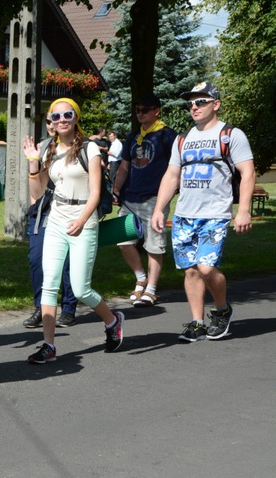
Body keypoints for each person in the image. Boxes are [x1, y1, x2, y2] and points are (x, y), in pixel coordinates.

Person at [22, 98, 126, 363]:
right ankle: (49, 345)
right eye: (55, 117)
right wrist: (33, 164)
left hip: (84, 219)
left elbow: (95, 192)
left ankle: (112, 320)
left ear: (76, 117)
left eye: (67, 115)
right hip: (56, 219)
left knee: (81, 289)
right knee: (49, 284)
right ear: (51, 123)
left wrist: (81, 220)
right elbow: (37, 193)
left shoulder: (90, 149)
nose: (62, 120)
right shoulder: (48, 150)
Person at [151, 82, 255, 342]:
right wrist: (159, 209)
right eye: (191, 103)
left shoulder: (231, 135)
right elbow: (172, 175)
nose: (194, 107)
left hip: (216, 214)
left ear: (216, 104)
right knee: (191, 270)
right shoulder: (182, 139)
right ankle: (197, 321)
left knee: (207, 268)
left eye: (201, 101)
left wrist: (243, 210)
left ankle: (221, 310)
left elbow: (248, 172)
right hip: (185, 214)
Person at [112, 94, 177, 307]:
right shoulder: (133, 136)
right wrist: (117, 188)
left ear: (157, 111)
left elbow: (176, 168)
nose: (140, 114)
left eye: (145, 110)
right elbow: (124, 166)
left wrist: (170, 192)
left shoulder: (167, 135)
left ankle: (151, 289)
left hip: (154, 198)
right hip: (130, 197)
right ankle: (141, 277)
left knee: (153, 245)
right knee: (123, 241)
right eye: (138, 110)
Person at [23, 113, 77, 329]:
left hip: (71, 208)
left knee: (66, 262)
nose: (54, 124)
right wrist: (34, 206)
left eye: (62, 117)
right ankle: (41, 307)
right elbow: (35, 184)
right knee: (37, 258)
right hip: (44, 208)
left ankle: (69, 307)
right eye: (50, 120)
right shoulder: (42, 147)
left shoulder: (80, 146)